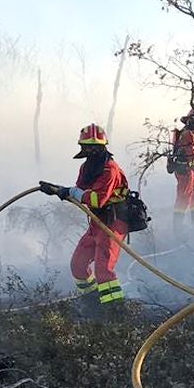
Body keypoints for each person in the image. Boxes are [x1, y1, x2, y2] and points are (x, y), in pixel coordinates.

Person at [39, 123, 131, 310]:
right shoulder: (86, 168)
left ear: (102, 147)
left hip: (113, 223)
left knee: (104, 271)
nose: (90, 151)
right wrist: (57, 190)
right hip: (97, 224)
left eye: (94, 147)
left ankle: (116, 312)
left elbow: (97, 200)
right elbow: (79, 191)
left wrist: (69, 191)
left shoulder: (110, 170)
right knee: (78, 266)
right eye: (87, 147)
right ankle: (92, 303)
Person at [168, 106, 194, 226]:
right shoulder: (187, 135)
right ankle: (178, 231)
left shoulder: (189, 134)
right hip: (186, 172)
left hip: (191, 173)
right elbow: (191, 158)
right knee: (183, 201)